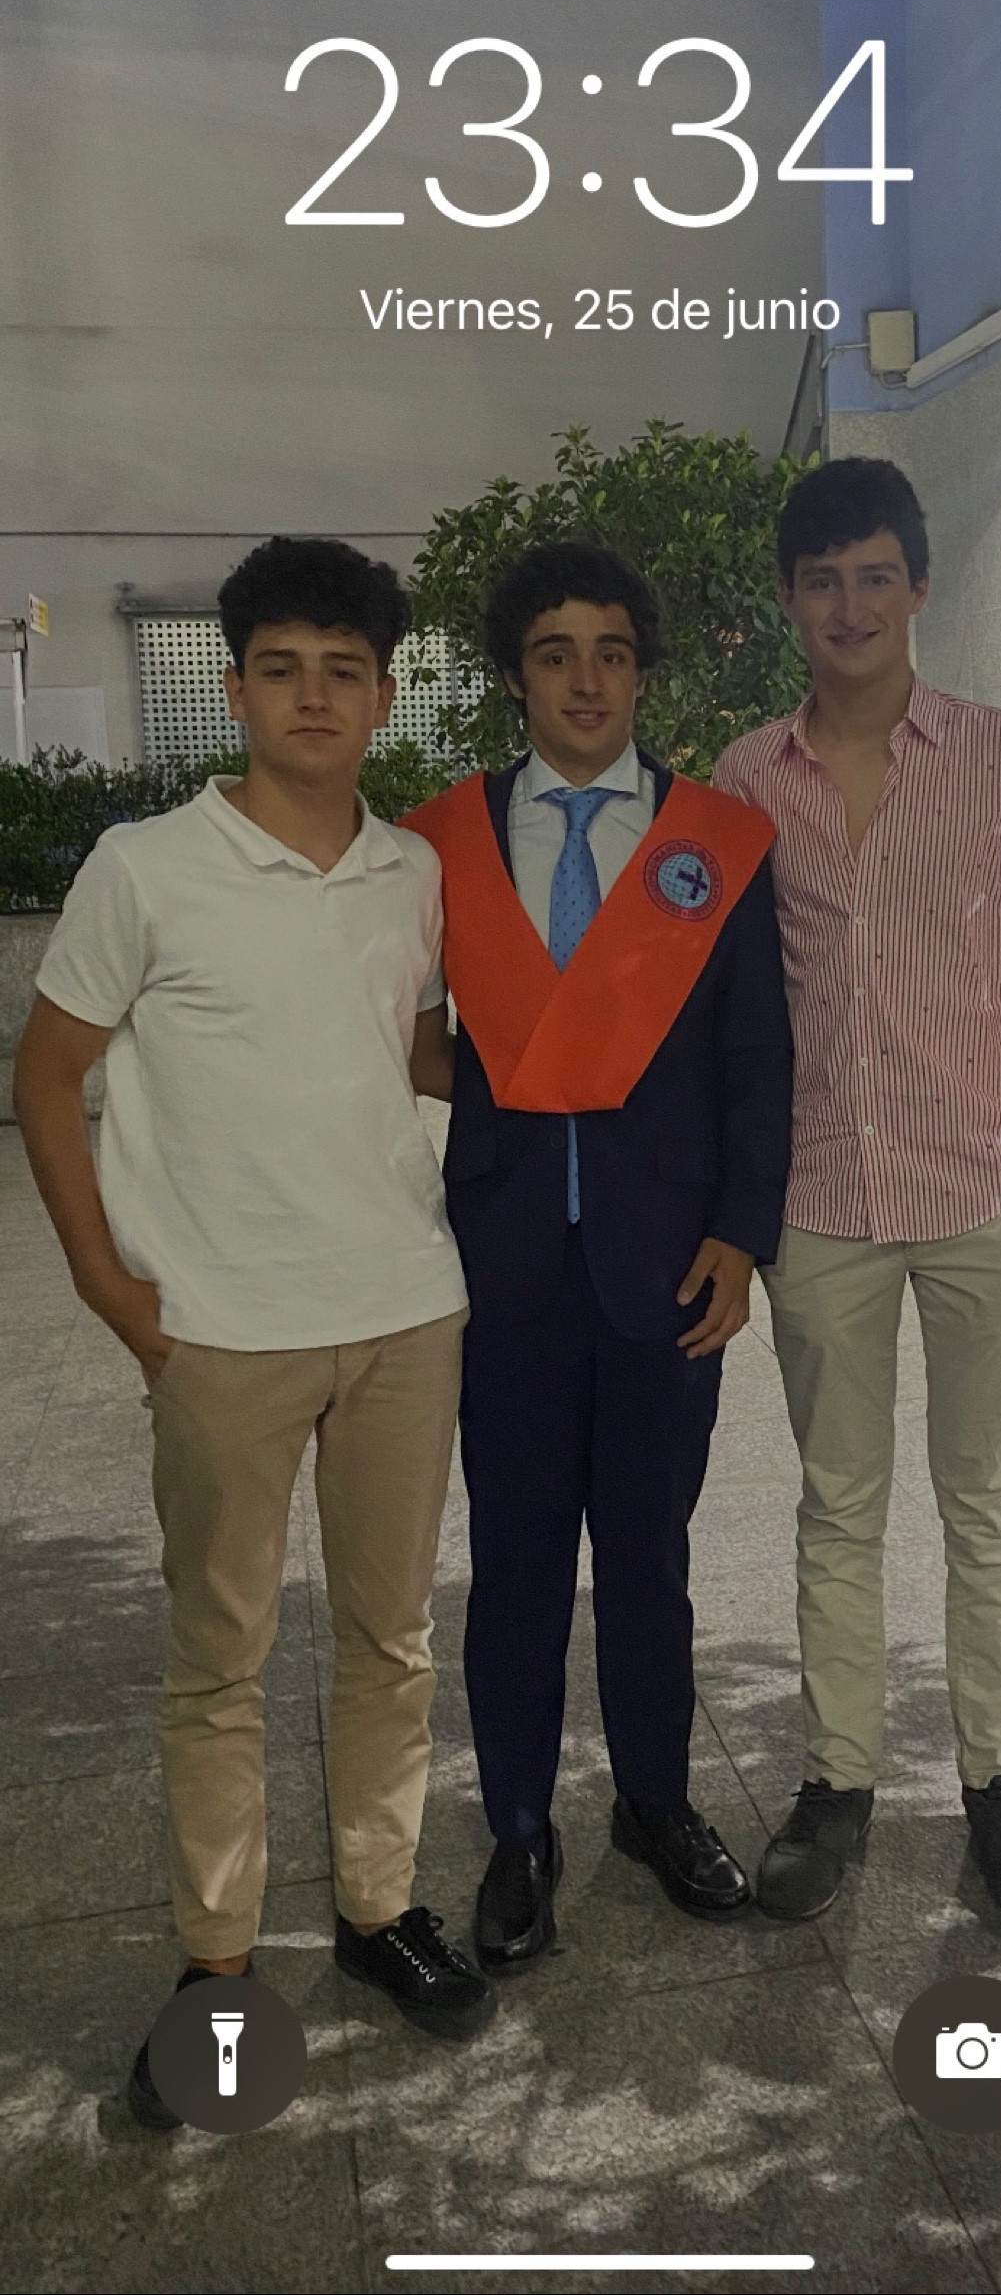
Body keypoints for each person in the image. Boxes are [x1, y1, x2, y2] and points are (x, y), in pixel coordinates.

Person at [13, 537, 493, 2130]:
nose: (313, 697)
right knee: (219, 1656)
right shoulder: (145, 866)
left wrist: (590, 1077)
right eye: (282, 669)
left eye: (345, 671)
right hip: (221, 1329)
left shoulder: (412, 872)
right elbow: (47, 1071)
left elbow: (412, 1050)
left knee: (391, 1638)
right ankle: (216, 1960)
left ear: (382, 696)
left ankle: (377, 1907)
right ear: (232, 691)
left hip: (403, 1310)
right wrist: (107, 1282)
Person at [714, 458, 1001, 1934]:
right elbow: (732, 998)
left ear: (919, 587)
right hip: (823, 1194)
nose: (850, 605)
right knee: (839, 1501)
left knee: (985, 1497)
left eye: (875, 575)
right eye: (822, 581)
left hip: (981, 1186)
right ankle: (837, 1781)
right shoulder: (748, 781)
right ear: (789, 600)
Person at [403, 541, 793, 1971]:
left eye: (613, 652)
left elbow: (758, 1056)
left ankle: (654, 1800)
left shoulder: (718, 842)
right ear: (515, 674)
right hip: (501, 1264)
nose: (587, 679)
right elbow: (408, 1033)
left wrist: (743, 1234)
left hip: (666, 1265)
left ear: (642, 672)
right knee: (512, 1559)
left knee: (649, 1550)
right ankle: (519, 1828)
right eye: (556, 652)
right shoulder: (441, 844)